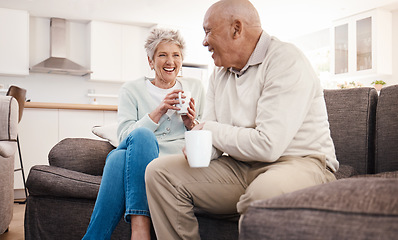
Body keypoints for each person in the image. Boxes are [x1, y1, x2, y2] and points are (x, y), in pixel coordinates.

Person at [145, 0, 339, 239]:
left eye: (208, 31)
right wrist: (201, 146)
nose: (204, 42)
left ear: (236, 29)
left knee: (262, 194)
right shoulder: (219, 72)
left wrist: (209, 130)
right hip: (241, 166)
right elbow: (212, 135)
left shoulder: (286, 60)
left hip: (299, 162)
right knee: (159, 172)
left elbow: (268, 146)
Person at [82, 28, 206, 240]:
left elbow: (203, 140)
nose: (170, 61)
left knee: (118, 158)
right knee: (142, 137)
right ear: (150, 61)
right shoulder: (131, 90)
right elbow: (124, 137)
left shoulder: (195, 87)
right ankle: (140, 230)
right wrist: (158, 111)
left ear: (181, 60)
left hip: (173, 161)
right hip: (140, 156)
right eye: (162, 55)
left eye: (176, 55)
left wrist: (190, 123)